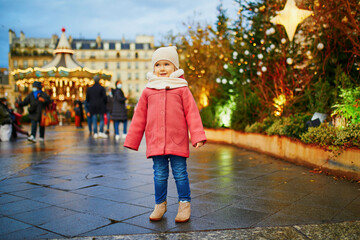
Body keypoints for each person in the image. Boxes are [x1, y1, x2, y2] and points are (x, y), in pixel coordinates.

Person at [124, 46, 206, 223]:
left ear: (175, 67)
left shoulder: (182, 89)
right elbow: (139, 116)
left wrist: (197, 136)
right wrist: (132, 140)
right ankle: (160, 204)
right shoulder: (148, 90)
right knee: (159, 174)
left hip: (177, 140)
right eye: (158, 65)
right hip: (155, 141)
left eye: (167, 64)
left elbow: (192, 113)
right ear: (153, 68)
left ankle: (184, 204)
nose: (162, 68)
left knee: (180, 173)